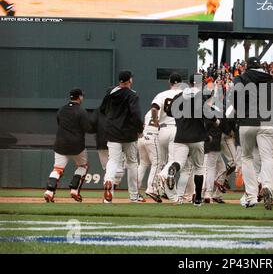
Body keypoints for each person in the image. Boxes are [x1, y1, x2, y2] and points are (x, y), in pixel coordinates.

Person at [232, 57, 273, 210]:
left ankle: (252, 196)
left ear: (247, 67)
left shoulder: (240, 78)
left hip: (247, 121)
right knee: (267, 157)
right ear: (260, 66)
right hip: (267, 121)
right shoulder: (272, 79)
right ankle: (267, 185)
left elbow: (236, 98)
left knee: (247, 158)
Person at [100, 71, 145, 203]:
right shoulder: (132, 95)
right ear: (130, 80)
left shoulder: (110, 93)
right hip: (128, 133)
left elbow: (102, 109)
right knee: (132, 163)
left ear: (120, 81)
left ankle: (108, 181)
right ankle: (134, 195)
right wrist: (139, 129)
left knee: (113, 161)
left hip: (113, 132)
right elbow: (136, 114)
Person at [165, 74, 208, 206]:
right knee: (199, 168)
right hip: (197, 137)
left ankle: (172, 169)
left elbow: (169, 112)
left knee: (179, 163)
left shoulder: (179, 96)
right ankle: (198, 199)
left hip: (181, 136)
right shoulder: (202, 96)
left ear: (189, 83)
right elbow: (206, 112)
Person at [43, 89, 91, 203]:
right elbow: (87, 128)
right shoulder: (81, 111)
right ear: (79, 97)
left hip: (61, 144)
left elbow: (59, 123)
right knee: (83, 166)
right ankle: (74, 190)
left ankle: (49, 192)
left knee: (57, 169)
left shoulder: (61, 109)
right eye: (81, 96)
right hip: (77, 145)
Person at [147, 73, 183, 202]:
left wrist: (155, 120)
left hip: (162, 129)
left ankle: (152, 189)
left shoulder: (162, 94)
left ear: (170, 82)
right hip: (176, 129)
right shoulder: (184, 94)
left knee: (161, 162)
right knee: (173, 160)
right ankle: (162, 176)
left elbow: (154, 108)